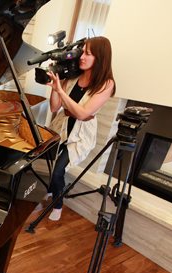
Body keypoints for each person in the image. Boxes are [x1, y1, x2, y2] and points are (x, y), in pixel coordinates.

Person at [46, 36, 116, 221]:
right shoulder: (74, 74)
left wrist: (61, 92)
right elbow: (55, 108)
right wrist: (56, 87)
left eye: (88, 53)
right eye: (82, 51)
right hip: (61, 126)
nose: (82, 56)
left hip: (81, 132)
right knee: (46, 163)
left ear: (100, 58)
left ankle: (58, 204)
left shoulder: (106, 84)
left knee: (58, 170)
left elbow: (83, 114)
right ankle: (49, 191)